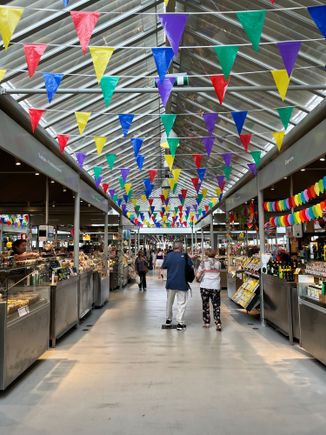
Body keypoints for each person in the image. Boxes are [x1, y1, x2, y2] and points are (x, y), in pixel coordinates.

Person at [162, 242, 193, 331]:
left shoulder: (168, 256)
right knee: (181, 303)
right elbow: (191, 267)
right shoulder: (185, 256)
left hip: (170, 283)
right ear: (180, 247)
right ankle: (180, 323)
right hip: (182, 283)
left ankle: (168, 319)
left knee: (169, 302)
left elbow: (164, 266)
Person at [196, 249, 222, 331]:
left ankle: (207, 323)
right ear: (214, 254)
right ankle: (218, 323)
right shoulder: (219, 263)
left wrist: (197, 279)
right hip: (215, 286)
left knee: (205, 304)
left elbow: (198, 274)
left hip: (205, 286)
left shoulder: (203, 262)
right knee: (216, 305)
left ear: (206, 254)